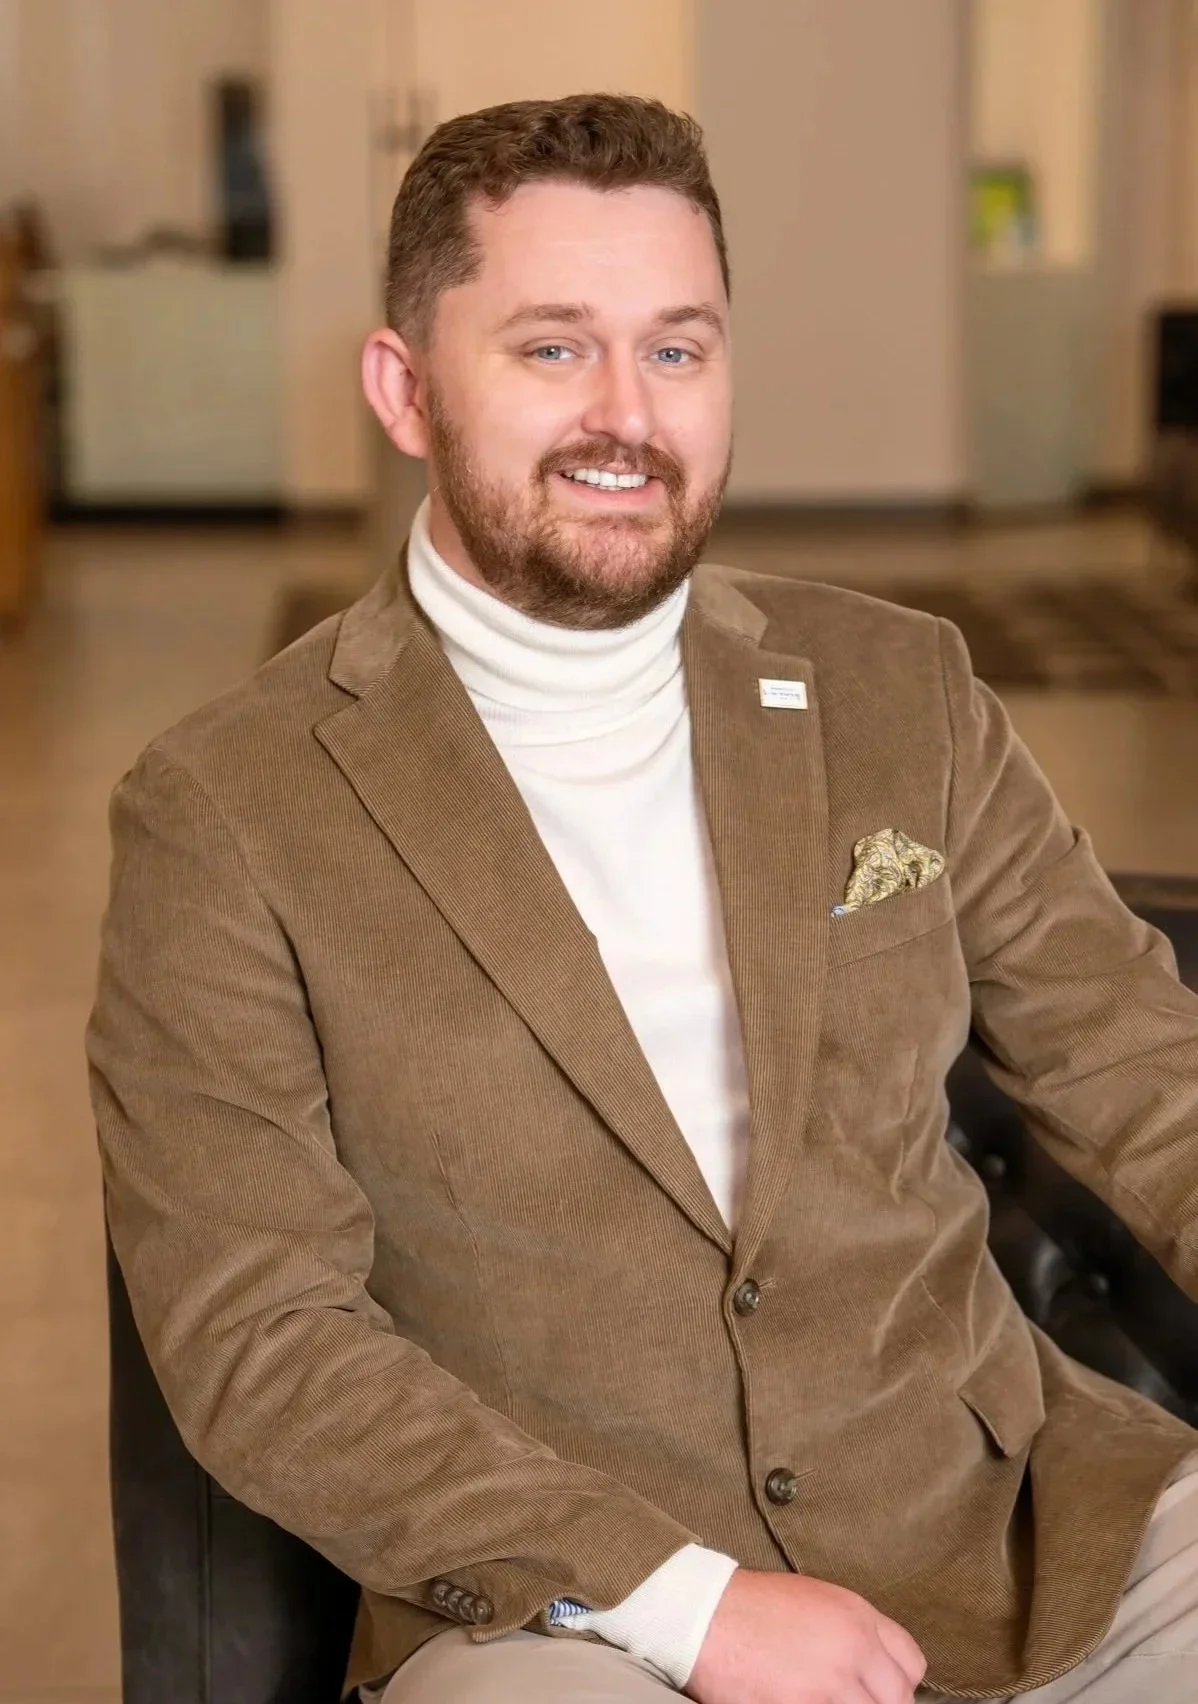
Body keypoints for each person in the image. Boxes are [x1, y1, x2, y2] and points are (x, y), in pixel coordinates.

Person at [87, 94, 1198, 1704]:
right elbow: (258, 1332)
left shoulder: (900, 687)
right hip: (564, 1612)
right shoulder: (224, 812)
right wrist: (685, 1605)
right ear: (404, 389)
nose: (627, 415)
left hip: (1020, 1532)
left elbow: (1138, 1062)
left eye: (675, 349)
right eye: (553, 348)